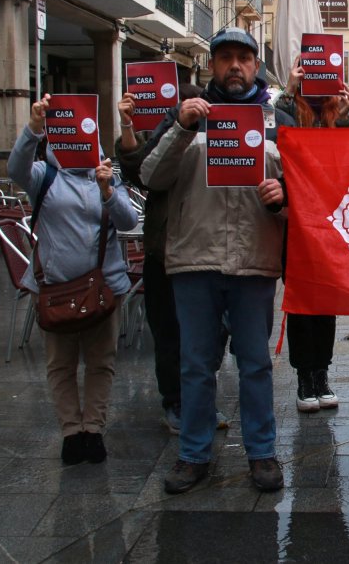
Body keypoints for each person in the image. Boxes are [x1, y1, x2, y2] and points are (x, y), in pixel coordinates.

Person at [140, 28, 288, 494]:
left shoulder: (276, 121)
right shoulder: (185, 117)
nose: (235, 67)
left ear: (256, 66)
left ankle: (261, 453)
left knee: (255, 365)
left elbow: (304, 187)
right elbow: (150, 176)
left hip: (254, 260)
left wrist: (283, 196)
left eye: (244, 58)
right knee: (196, 365)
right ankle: (193, 454)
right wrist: (181, 127)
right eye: (225, 58)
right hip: (194, 259)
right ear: (212, 66)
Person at [9, 95, 139, 465]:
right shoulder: (44, 176)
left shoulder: (107, 174)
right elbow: (15, 168)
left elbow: (129, 221)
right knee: (60, 365)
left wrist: (108, 192)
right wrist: (33, 128)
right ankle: (70, 430)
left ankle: (93, 429)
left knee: (102, 362)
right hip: (56, 288)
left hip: (104, 287)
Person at [117, 83, 230, 435]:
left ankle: (200, 400)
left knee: (212, 335)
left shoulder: (216, 138)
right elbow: (138, 171)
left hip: (206, 250)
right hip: (163, 252)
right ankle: (176, 402)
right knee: (169, 333)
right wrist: (126, 126)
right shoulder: (168, 131)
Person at [276, 57, 349, 413]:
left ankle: (321, 374)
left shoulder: (337, 114)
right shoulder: (287, 110)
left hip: (330, 223)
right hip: (296, 220)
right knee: (301, 302)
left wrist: (347, 112)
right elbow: (276, 132)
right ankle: (304, 377)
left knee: (325, 304)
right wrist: (289, 90)